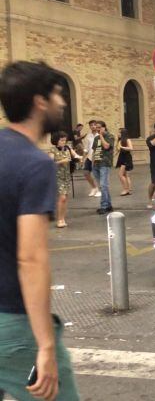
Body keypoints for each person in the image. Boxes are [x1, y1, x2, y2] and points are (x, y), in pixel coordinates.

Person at [0, 61, 80, 400]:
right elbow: (30, 259)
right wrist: (45, 346)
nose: (63, 103)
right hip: (14, 324)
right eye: (58, 94)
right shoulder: (35, 164)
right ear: (39, 102)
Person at [49, 131, 80, 228]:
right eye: (61, 140)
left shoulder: (68, 148)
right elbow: (50, 163)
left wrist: (80, 158)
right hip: (57, 176)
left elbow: (75, 156)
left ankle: (62, 218)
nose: (63, 142)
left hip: (66, 176)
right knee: (62, 197)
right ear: (56, 141)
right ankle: (59, 219)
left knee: (65, 198)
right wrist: (62, 161)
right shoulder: (52, 150)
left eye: (64, 140)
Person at [91, 120, 114, 215]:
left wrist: (101, 135)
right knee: (102, 186)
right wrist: (92, 163)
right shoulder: (96, 139)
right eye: (96, 127)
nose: (97, 129)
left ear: (104, 127)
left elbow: (106, 146)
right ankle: (109, 205)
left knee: (104, 185)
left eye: (99, 127)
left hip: (105, 163)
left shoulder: (110, 136)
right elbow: (94, 151)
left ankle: (104, 206)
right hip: (96, 164)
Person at [82, 120, 99, 197]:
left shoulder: (100, 135)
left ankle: (99, 190)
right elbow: (86, 148)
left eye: (94, 125)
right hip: (89, 157)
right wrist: (83, 157)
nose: (93, 126)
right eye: (91, 125)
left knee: (96, 174)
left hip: (98, 157)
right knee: (86, 172)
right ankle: (94, 187)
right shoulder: (88, 136)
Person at [115, 128, 134, 196]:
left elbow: (131, 148)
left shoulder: (127, 140)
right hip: (122, 157)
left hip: (126, 158)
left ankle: (126, 189)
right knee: (126, 175)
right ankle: (129, 190)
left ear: (123, 134)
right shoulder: (120, 140)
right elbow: (118, 149)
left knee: (120, 175)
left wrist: (122, 147)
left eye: (119, 133)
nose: (118, 134)